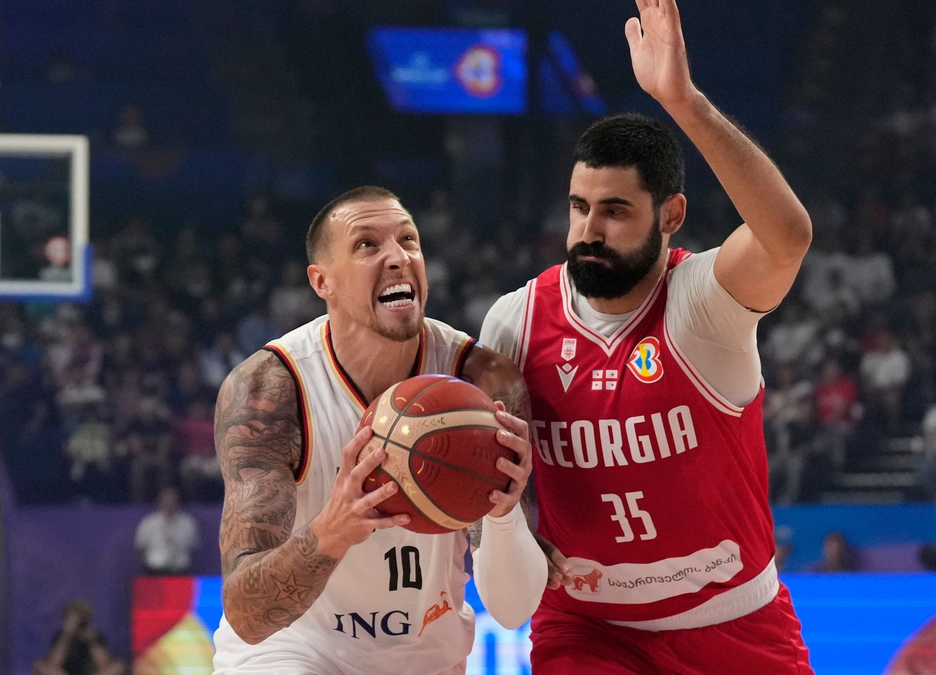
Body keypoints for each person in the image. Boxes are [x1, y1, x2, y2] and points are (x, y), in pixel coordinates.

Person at [480, 1, 813, 671]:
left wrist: (685, 105)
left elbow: (788, 236)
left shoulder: (701, 304)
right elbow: (498, 507)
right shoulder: (515, 322)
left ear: (672, 215)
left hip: (736, 623)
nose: (589, 231)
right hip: (589, 629)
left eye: (615, 211)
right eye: (579, 208)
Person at [212, 186, 547, 675]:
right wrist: (331, 532)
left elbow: (514, 609)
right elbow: (247, 616)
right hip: (294, 648)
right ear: (320, 280)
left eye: (408, 240)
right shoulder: (269, 390)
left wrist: (503, 514)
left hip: (427, 655)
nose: (397, 257)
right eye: (367, 244)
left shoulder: (482, 383)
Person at [34, 599, 125, 675]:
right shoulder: (61, 636)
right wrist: (66, 635)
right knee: (41, 666)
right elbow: (54, 662)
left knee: (118, 666)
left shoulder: (94, 635)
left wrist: (92, 640)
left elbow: (105, 663)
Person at [135, 485, 200, 575]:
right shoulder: (148, 522)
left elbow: (193, 547)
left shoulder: (188, 523)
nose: (169, 503)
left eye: (172, 500)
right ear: (160, 502)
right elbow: (141, 546)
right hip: (154, 572)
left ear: (178, 502)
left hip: (180, 572)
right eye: (166, 500)